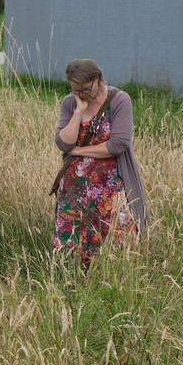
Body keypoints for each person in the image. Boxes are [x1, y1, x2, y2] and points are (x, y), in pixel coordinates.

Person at [53, 59, 150, 268]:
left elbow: (117, 144)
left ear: (97, 79)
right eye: (75, 90)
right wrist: (78, 112)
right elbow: (63, 142)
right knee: (75, 241)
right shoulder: (70, 103)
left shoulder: (119, 100)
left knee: (116, 237)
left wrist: (78, 151)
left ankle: (112, 279)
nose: (81, 95)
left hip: (110, 186)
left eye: (85, 89)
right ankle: (77, 283)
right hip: (74, 189)